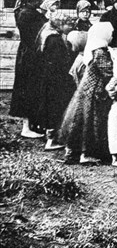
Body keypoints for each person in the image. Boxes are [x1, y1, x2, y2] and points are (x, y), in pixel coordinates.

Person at [60, 22, 115, 164]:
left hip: (87, 89)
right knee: (90, 122)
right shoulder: (100, 51)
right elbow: (107, 72)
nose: (112, 36)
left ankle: (73, 152)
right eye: (110, 33)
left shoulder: (93, 47)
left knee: (80, 120)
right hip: (95, 90)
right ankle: (87, 154)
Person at [31, 12, 77, 151]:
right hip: (55, 80)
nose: (71, 27)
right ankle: (52, 140)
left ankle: (49, 136)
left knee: (50, 106)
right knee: (54, 108)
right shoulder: (55, 40)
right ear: (61, 25)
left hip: (49, 79)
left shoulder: (48, 34)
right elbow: (59, 63)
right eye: (69, 25)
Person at [9, 0, 48, 138]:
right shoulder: (27, 14)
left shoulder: (27, 11)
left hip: (28, 53)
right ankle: (26, 127)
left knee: (32, 87)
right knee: (28, 88)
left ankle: (31, 124)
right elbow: (40, 31)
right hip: (30, 55)